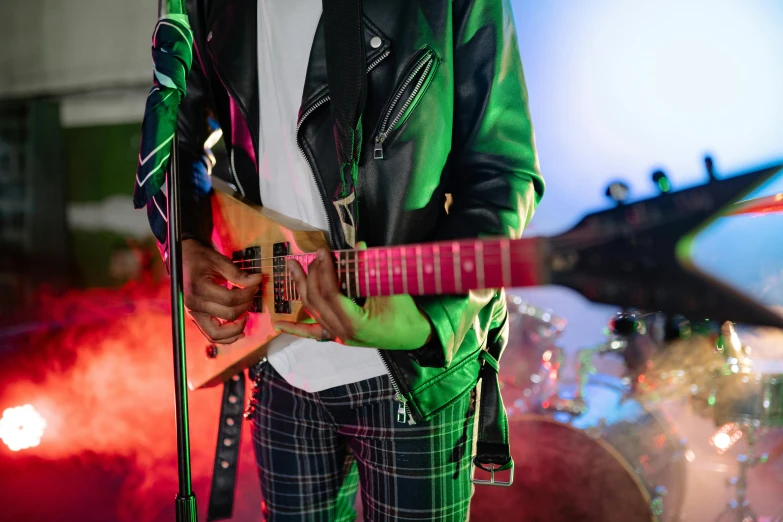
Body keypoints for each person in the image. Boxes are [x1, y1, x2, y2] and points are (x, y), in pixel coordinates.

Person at [144, 0, 544, 520]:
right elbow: (178, 136)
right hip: (280, 362)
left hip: (410, 373)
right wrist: (187, 245)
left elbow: (504, 171)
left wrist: (430, 318)